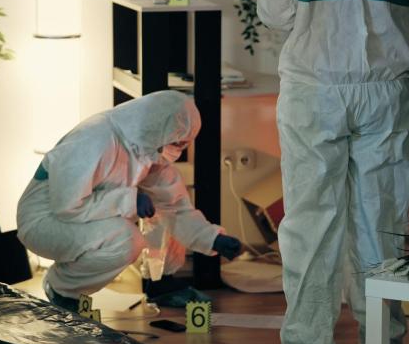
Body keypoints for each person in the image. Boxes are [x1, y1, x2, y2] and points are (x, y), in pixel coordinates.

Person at [257, 0, 409, 344]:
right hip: (386, 84)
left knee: (311, 225)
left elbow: (276, 14)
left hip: (314, 85)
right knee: (380, 223)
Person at [16, 90, 242, 311]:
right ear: (161, 130)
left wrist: (211, 238)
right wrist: (128, 200)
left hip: (79, 214)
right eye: (178, 144)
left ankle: (161, 283)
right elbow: (67, 206)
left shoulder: (147, 146)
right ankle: (62, 289)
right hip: (45, 221)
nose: (179, 151)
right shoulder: (93, 139)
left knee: (159, 210)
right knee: (126, 240)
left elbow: (173, 206)